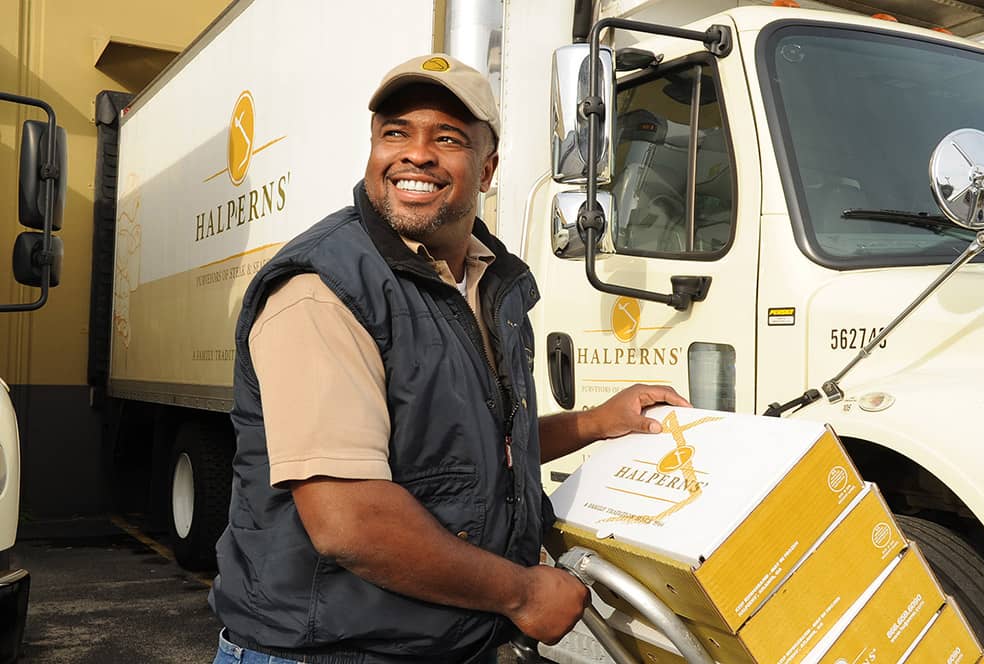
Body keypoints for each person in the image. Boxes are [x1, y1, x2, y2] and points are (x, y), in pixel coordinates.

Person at [208, 53, 691, 664]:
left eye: (447, 138)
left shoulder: (488, 281)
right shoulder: (323, 288)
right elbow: (349, 519)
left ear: (486, 169)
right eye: (395, 133)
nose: (415, 154)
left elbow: (464, 449)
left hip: (441, 645)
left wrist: (596, 423)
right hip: (331, 653)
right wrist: (520, 593)